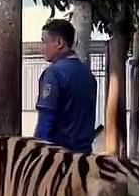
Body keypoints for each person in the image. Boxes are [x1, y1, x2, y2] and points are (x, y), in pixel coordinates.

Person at [34, 18, 97, 154]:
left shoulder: (54, 74)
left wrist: (36, 154)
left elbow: (46, 122)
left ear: (59, 43)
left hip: (60, 160)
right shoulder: (88, 75)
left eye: (44, 42)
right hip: (84, 157)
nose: (42, 48)